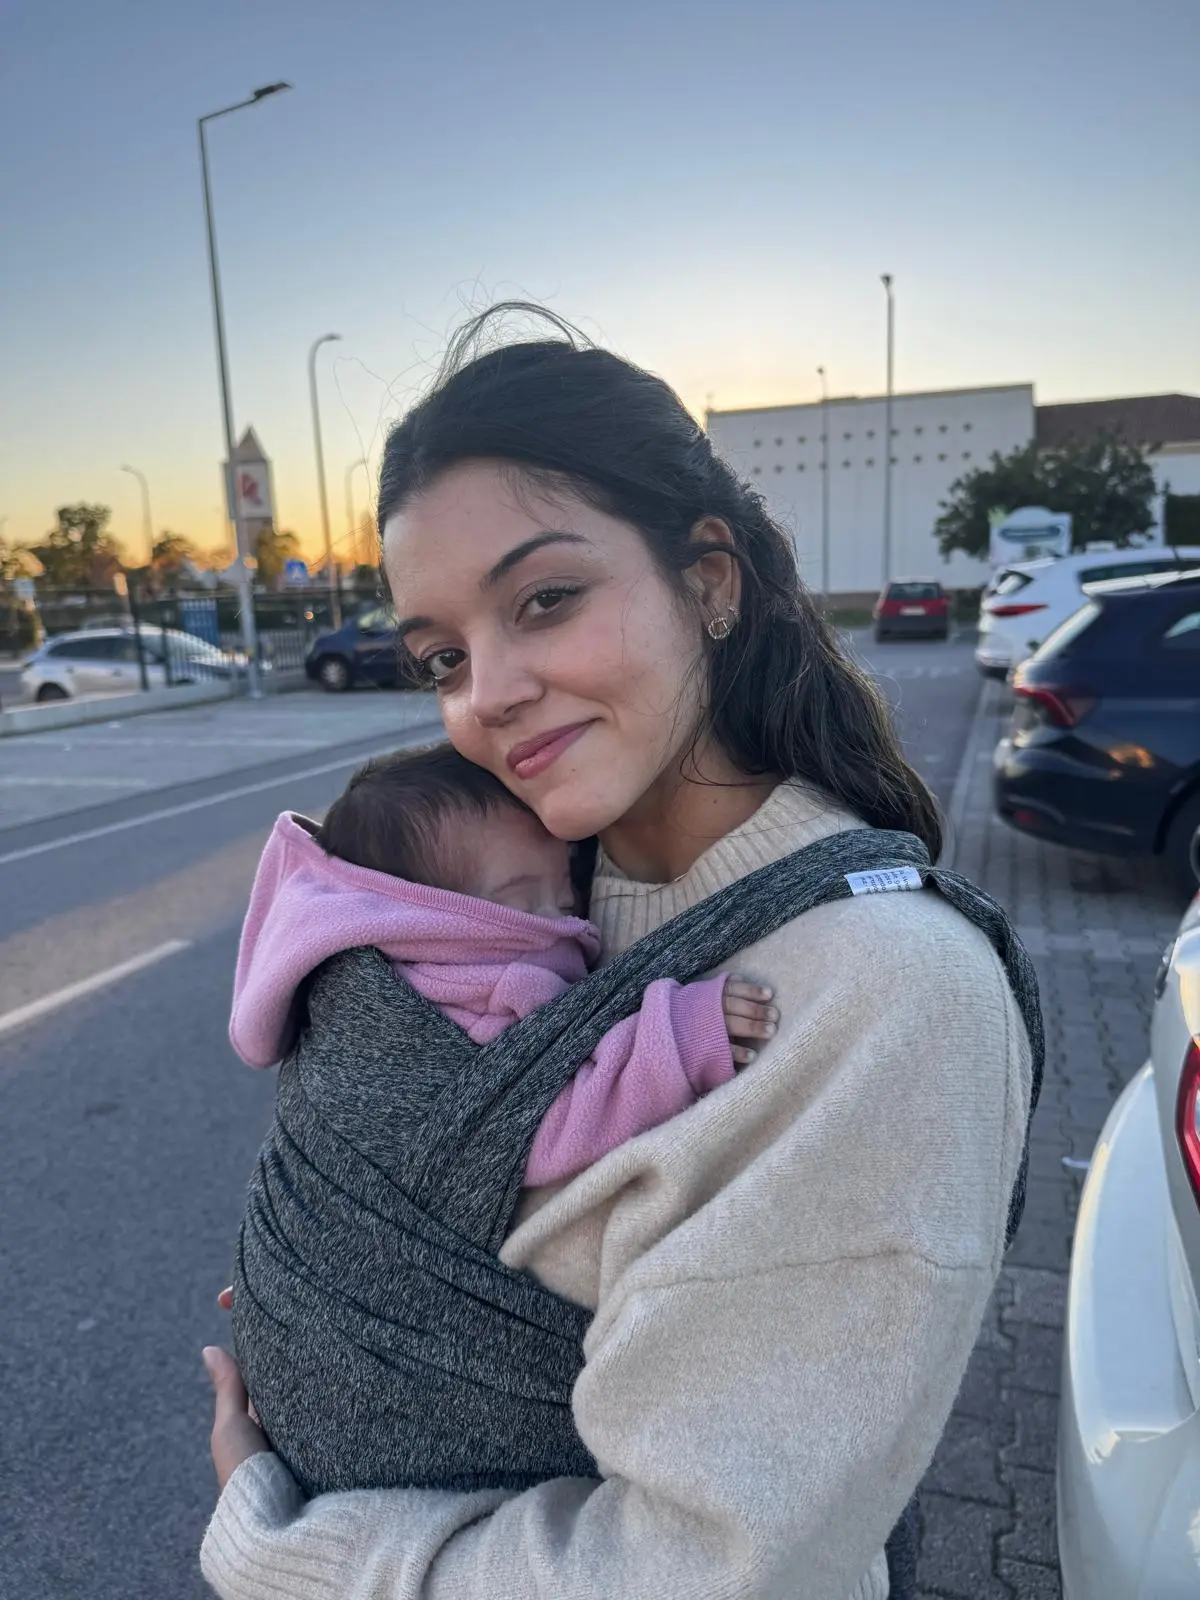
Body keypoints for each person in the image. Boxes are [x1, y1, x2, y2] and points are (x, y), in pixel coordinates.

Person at [201, 306, 1034, 1600]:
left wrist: (282, 1548)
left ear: (710, 581)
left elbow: (714, 1570)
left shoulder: (884, 989)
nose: (488, 691)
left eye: (546, 599)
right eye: (442, 654)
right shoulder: (522, 893)